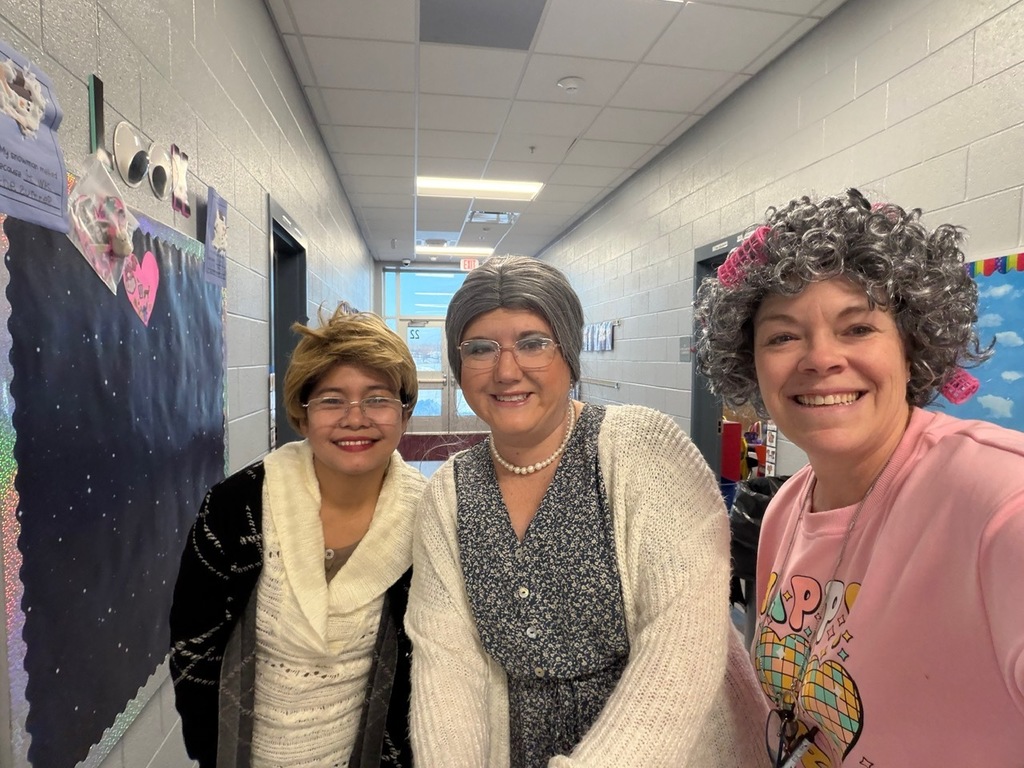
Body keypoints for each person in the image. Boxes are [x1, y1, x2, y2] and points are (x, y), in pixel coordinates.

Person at [693, 189, 1024, 767]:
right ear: (751, 363)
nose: (820, 358)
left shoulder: (1000, 503)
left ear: (910, 344)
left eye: (857, 328)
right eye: (782, 336)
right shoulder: (787, 509)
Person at [406, 255, 769, 767]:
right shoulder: (450, 494)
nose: (507, 370)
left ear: (570, 356)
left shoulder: (646, 450)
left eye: (533, 343)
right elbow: (447, 665)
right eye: (480, 349)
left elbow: (681, 645)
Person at [169, 309, 425, 767]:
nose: (355, 419)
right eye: (331, 400)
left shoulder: (431, 519)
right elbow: (194, 649)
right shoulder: (236, 507)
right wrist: (211, 754)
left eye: (377, 399)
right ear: (301, 416)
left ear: (404, 413)